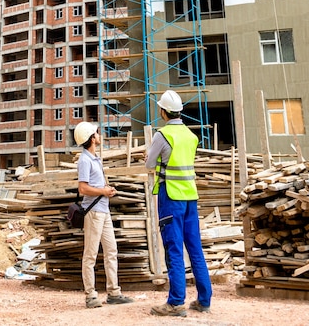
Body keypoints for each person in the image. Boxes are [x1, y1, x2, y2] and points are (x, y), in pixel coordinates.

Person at [145, 90, 212, 316]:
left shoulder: (162, 135)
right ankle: (204, 300)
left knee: (174, 249)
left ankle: (175, 303)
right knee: (195, 250)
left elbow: (149, 164)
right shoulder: (191, 136)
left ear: (162, 111)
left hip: (171, 197)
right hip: (190, 198)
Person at [74, 121, 134, 309]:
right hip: (93, 212)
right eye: (97, 133)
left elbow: (94, 186)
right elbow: (82, 188)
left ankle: (114, 292)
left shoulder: (95, 158)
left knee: (111, 251)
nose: (99, 135)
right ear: (92, 138)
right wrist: (103, 192)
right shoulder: (84, 160)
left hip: (103, 210)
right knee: (90, 254)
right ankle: (90, 295)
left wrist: (106, 190)